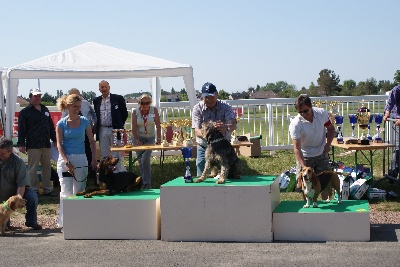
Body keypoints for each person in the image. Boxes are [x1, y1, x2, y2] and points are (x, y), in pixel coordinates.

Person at [56, 94, 97, 228]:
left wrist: (93, 159)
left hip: (81, 159)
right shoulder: (61, 124)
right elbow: (59, 145)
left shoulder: (85, 121)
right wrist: (67, 162)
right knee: (65, 192)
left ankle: (79, 222)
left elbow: (91, 141)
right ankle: (65, 223)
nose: (77, 109)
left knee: (79, 190)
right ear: (67, 106)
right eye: (75, 106)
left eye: (79, 107)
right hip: (65, 160)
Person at [289, 94, 336, 200]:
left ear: (311, 107)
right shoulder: (295, 124)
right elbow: (297, 148)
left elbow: (331, 129)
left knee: (325, 183)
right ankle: (308, 208)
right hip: (305, 155)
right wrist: (303, 166)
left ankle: (327, 205)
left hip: (321, 153)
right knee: (305, 186)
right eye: (300, 112)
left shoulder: (321, 113)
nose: (303, 114)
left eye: (306, 111)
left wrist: (328, 144)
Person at [17, 88, 57, 197]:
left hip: (45, 143)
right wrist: (21, 144)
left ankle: (47, 189)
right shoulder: (25, 112)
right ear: (30, 97)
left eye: (39, 96)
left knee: (47, 167)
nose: (37, 98)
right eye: (35, 96)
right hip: (33, 144)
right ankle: (34, 190)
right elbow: (21, 129)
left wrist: (55, 140)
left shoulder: (45, 109)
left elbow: (51, 127)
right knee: (32, 168)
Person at [192, 82, 237, 176]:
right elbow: (196, 130)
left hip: (224, 147)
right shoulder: (197, 109)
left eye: (211, 97)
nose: (209, 100)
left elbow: (233, 124)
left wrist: (226, 127)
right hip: (204, 147)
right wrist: (207, 134)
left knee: (228, 177)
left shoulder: (226, 107)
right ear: (202, 97)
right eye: (206, 97)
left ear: (217, 94)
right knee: (202, 177)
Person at [0, 137, 42, 230]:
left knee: (32, 196)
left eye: (3, 153)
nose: (0, 155)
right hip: (1, 194)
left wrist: (18, 200)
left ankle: (31, 222)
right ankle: (5, 225)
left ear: (10, 151)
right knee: (4, 226)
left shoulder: (18, 162)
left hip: (14, 194)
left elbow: (21, 185)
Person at [62, 88, 97, 179]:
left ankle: (91, 171)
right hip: (71, 131)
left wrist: (95, 125)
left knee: (88, 151)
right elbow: (63, 118)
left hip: (85, 129)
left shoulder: (86, 103)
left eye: (77, 96)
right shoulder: (66, 110)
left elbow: (93, 114)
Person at [93, 80, 128, 171]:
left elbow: (124, 114)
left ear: (109, 88)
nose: (104, 89)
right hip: (102, 129)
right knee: (105, 155)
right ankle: (107, 175)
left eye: (105, 87)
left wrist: (119, 125)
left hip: (115, 129)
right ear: (99, 89)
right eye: (102, 87)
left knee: (116, 154)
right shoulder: (96, 100)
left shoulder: (118, 98)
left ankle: (117, 174)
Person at [131, 94, 161, 189]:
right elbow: (134, 128)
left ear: (150, 103)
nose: (144, 105)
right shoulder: (135, 112)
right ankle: (142, 181)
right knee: (140, 160)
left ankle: (147, 183)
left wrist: (159, 138)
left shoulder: (154, 110)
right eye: (142, 103)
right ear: (139, 103)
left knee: (145, 160)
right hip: (138, 137)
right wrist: (136, 140)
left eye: (147, 103)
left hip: (150, 138)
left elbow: (158, 125)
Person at [383, 85, 400, 178]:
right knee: (398, 149)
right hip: (398, 122)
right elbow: (390, 103)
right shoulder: (397, 90)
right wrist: (387, 112)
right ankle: (393, 173)